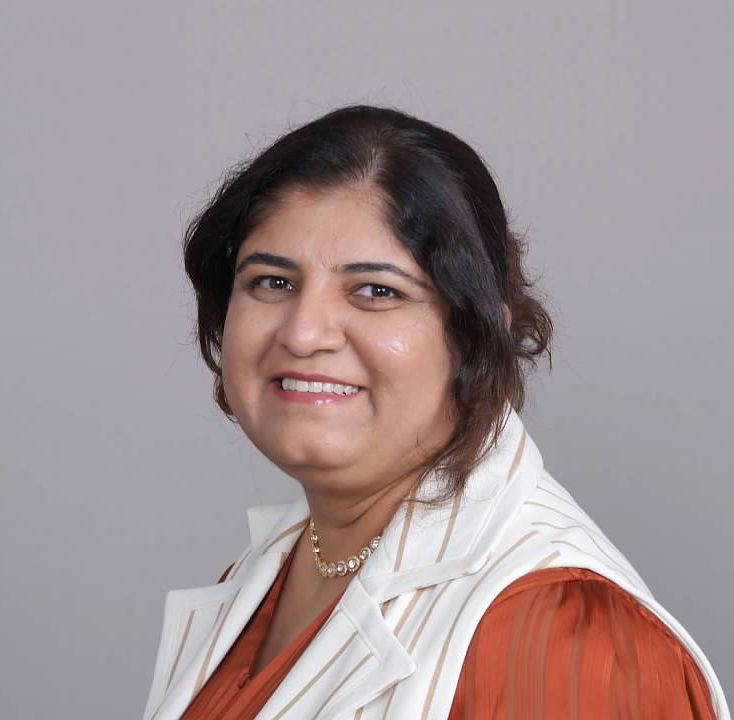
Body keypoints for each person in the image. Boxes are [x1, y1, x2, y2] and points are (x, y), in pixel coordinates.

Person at [142, 104, 730, 720]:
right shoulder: (273, 568)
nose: (304, 332)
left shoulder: (562, 637)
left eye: (377, 291)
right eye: (272, 282)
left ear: (480, 335)